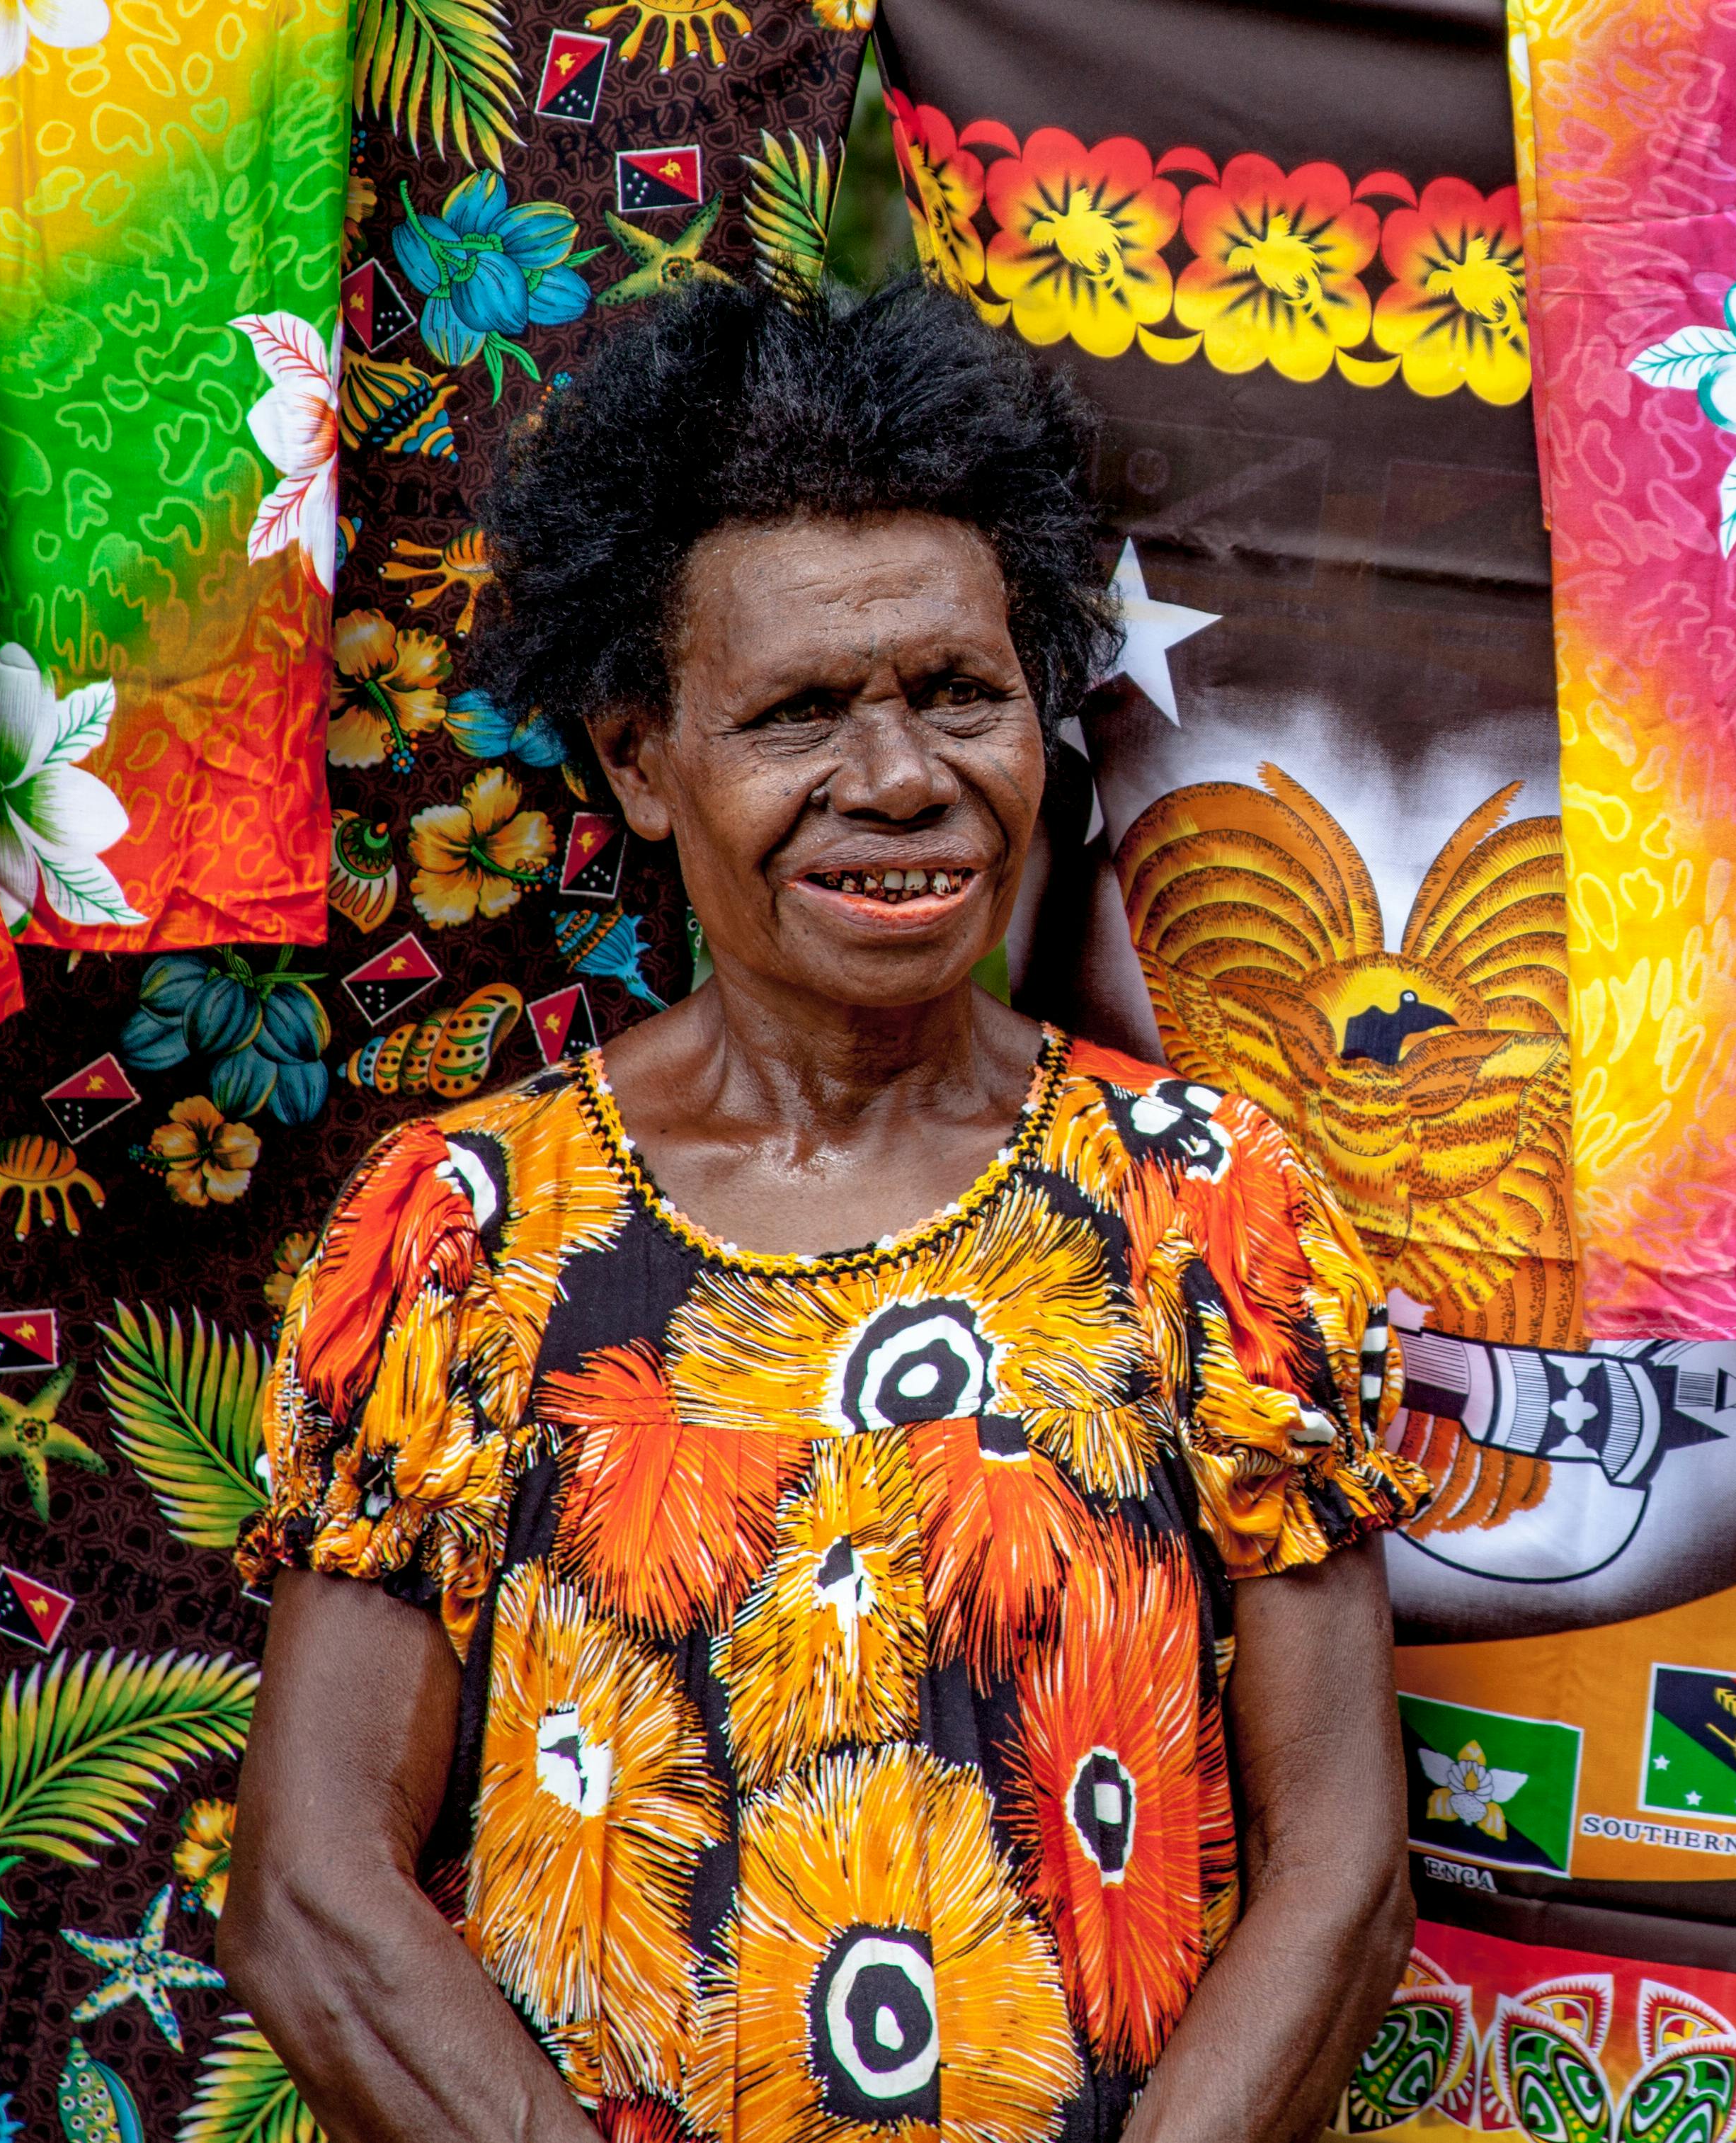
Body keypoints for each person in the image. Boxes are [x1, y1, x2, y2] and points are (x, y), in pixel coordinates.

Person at [222, 278, 1432, 2143]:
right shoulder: (466, 1230)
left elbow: (1342, 1876)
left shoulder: (1208, 1202)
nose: (899, 779)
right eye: (799, 712)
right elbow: (312, 1901)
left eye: (960, 694)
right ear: (640, 758)